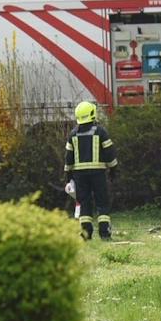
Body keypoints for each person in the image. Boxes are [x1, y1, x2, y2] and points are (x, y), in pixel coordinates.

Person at [64, 100, 117, 242]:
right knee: (102, 202)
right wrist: (113, 169)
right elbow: (109, 152)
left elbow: (68, 158)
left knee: (84, 203)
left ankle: (86, 234)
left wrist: (68, 176)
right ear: (92, 114)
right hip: (98, 173)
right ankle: (105, 233)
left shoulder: (73, 134)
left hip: (80, 176)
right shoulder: (100, 131)